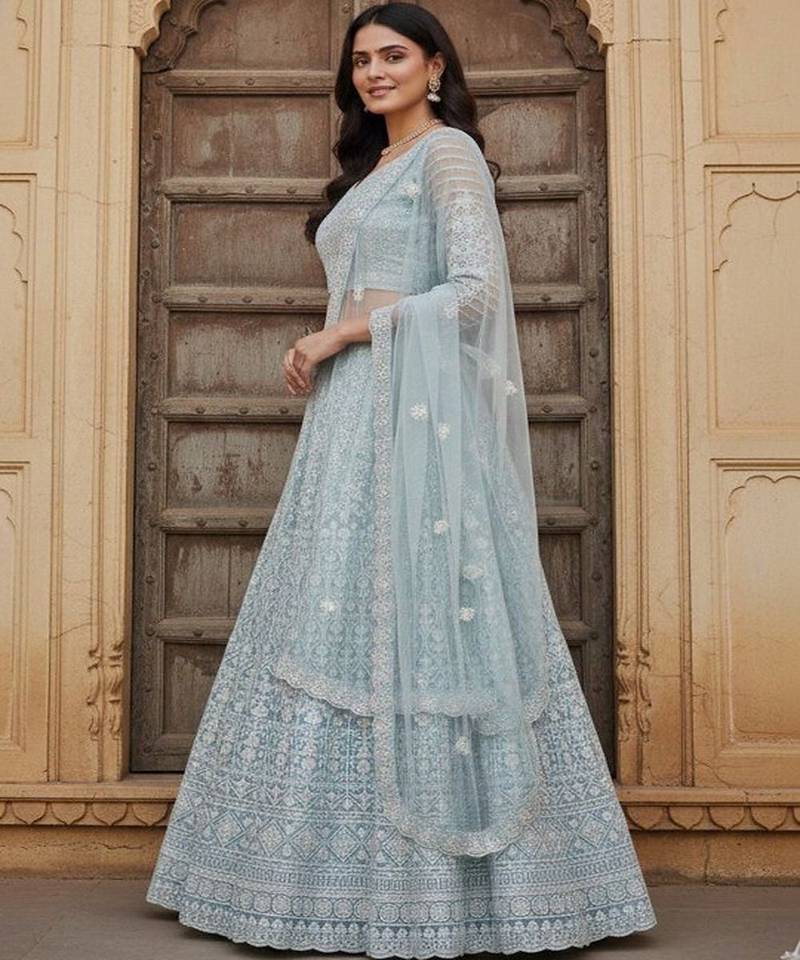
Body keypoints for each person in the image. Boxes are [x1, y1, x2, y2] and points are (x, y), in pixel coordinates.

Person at [146, 3, 658, 954]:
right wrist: (333, 341)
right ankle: (301, 877)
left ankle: (462, 887)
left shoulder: (448, 156)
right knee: (331, 611)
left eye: (393, 56)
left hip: (412, 425)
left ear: (434, 67)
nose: (375, 72)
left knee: (419, 615)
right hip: (350, 419)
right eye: (361, 61)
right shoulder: (372, 170)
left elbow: (474, 292)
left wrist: (341, 331)